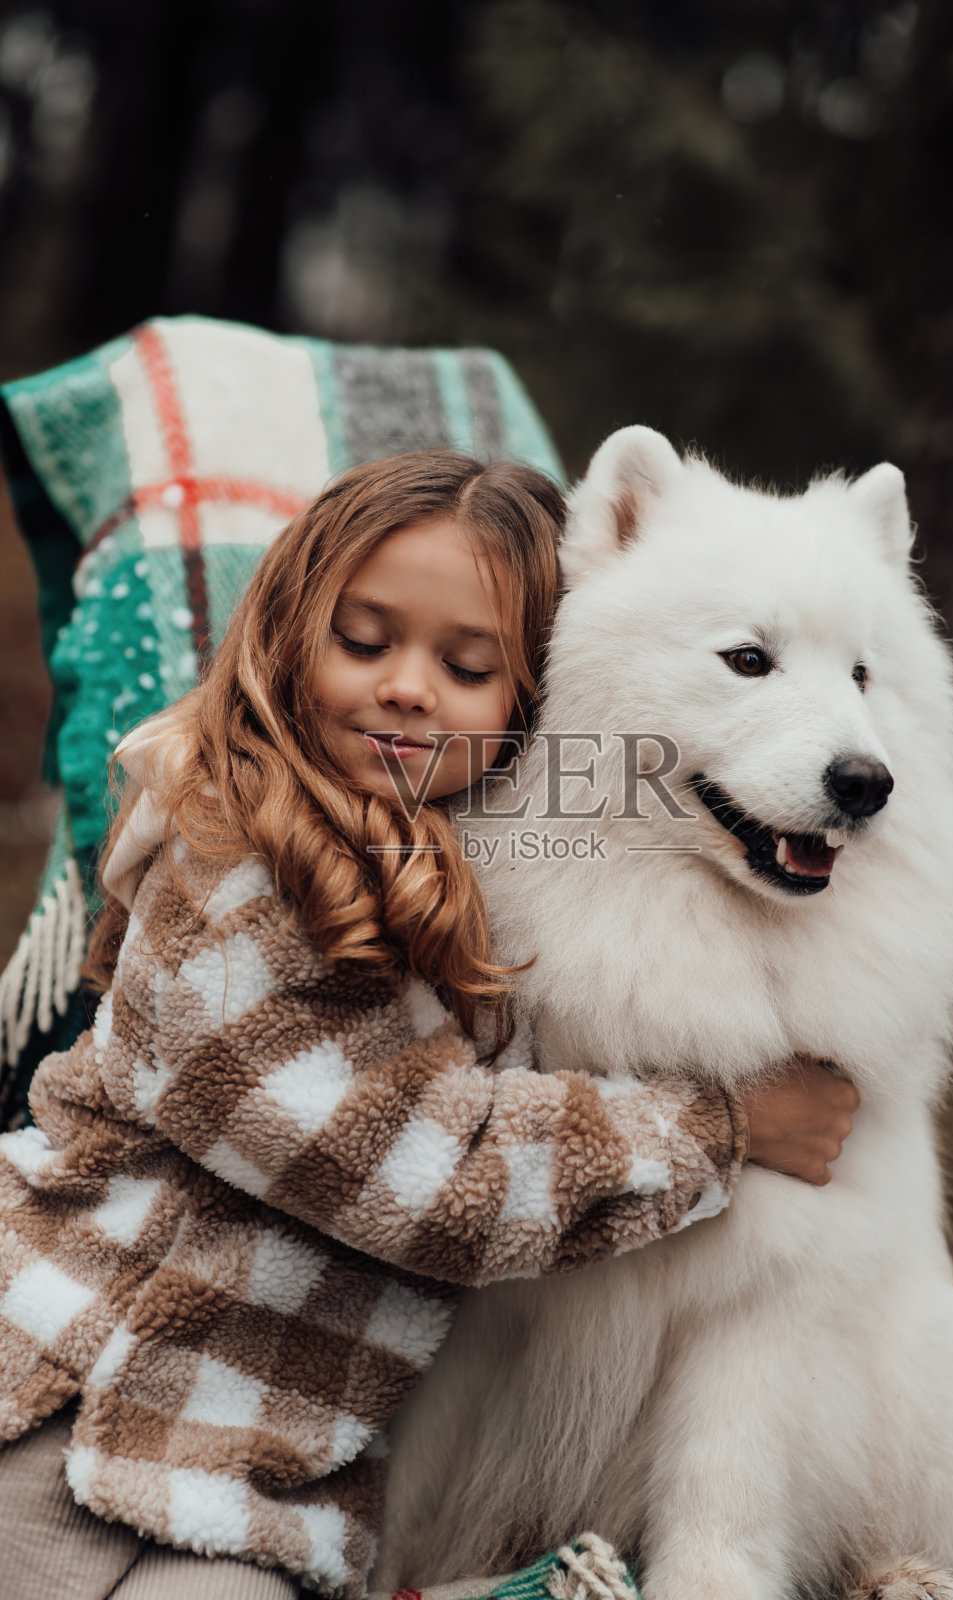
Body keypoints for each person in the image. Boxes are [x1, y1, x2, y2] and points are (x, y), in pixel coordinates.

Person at [0, 450, 858, 1600]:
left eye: (466, 665)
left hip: (259, 1468)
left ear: (526, 702)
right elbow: (413, 1170)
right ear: (287, 636)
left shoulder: (464, 864)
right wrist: (722, 1122)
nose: (409, 687)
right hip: (65, 1370)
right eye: (365, 643)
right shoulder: (227, 865)